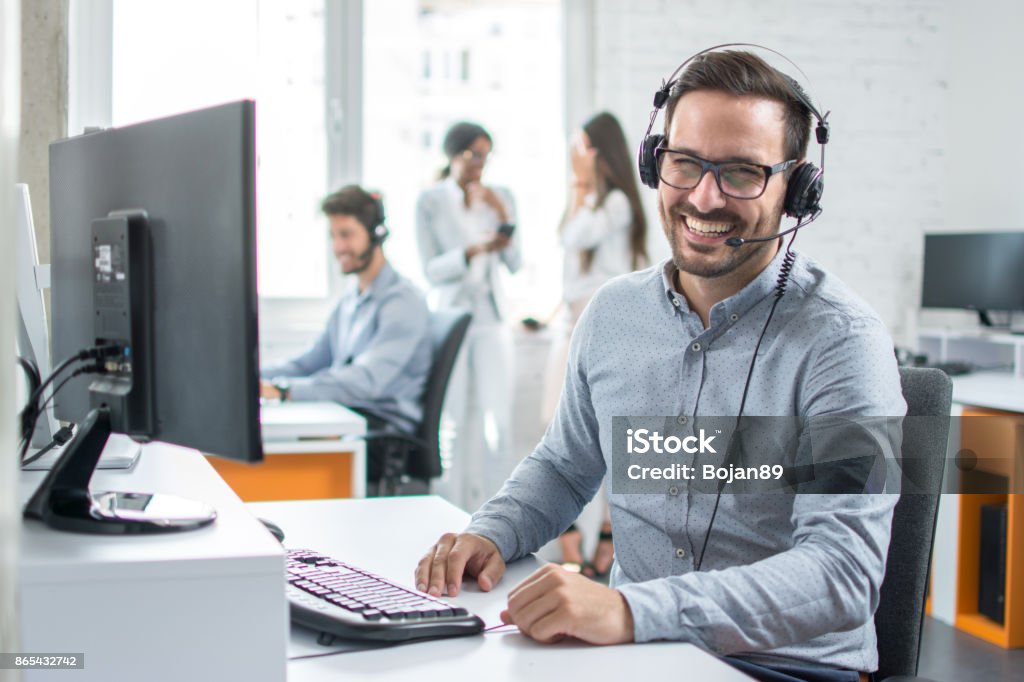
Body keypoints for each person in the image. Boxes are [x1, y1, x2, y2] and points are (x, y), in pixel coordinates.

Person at [414, 49, 904, 682]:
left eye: (742, 173)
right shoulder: (613, 314)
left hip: (784, 669)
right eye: (686, 163)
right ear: (655, 163)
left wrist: (629, 611)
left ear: (796, 189)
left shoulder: (844, 342)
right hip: (636, 659)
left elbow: (843, 573)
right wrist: (493, 532)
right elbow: (565, 466)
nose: (705, 196)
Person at [261, 185, 432, 484]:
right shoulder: (350, 299)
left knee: (278, 456)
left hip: (382, 436)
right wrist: (253, 377)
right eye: (333, 235)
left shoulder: (402, 302)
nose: (338, 246)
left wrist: (285, 390)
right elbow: (310, 362)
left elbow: (367, 381)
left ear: (376, 233)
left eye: (347, 234)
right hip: (349, 419)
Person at [541, 112, 648, 577]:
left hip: (601, 328)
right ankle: (572, 540)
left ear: (601, 152)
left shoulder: (619, 203)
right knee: (556, 430)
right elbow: (566, 246)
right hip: (569, 323)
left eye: (582, 147)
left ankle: (603, 537)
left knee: (607, 436)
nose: (576, 157)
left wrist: (580, 189)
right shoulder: (589, 200)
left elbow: (575, 235)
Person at [415, 121, 522, 512]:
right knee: (453, 423)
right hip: (452, 318)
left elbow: (515, 261)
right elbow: (431, 269)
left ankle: (503, 518)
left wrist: (500, 213)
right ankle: (448, 515)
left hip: (491, 318)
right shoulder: (430, 201)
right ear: (452, 155)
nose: (480, 164)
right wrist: (472, 251)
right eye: (473, 155)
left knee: (499, 425)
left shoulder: (501, 196)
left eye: (485, 156)